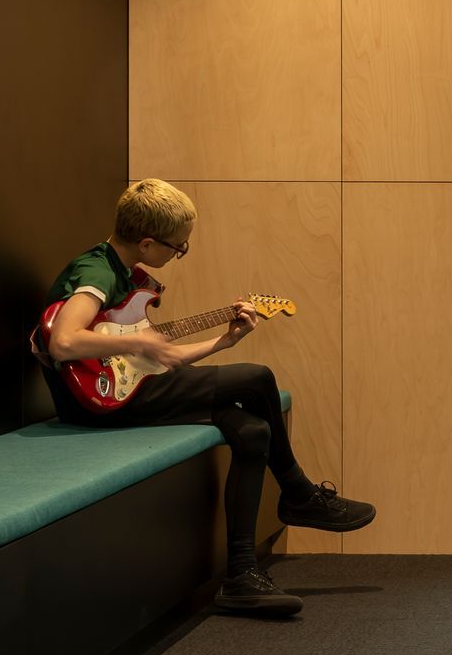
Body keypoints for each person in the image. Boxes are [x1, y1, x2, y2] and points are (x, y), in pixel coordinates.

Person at [33, 178, 375, 617]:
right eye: (178, 248)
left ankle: (241, 576)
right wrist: (137, 344)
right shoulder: (97, 272)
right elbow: (63, 343)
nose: (178, 255)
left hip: (129, 387)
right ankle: (298, 493)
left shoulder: (126, 275)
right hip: (98, 403)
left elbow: (156, 357)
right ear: (148, 242)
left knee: (252, 431)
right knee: (257, 377)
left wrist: (221, 343)